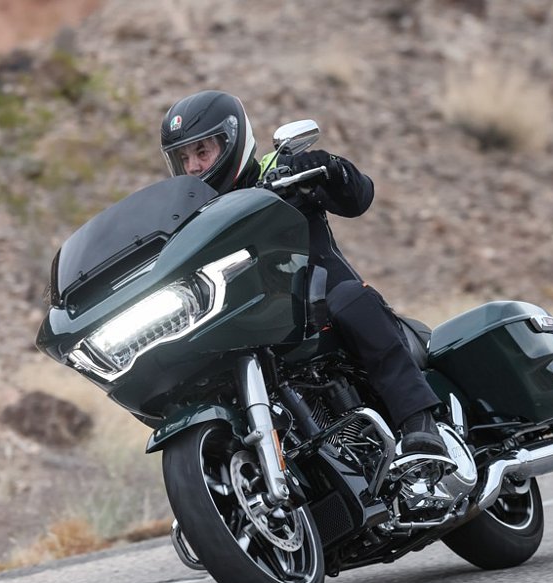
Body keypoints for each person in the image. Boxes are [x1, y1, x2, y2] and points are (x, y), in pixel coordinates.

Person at [159, 90, 449, 461]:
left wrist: (328, 167)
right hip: (256, 325)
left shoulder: (278, 171)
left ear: (232, 142)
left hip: (321, 307)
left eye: (202, 152)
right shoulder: (191, 221)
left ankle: (419, 423)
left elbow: (359, 198)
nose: (194, 166)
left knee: (352, 299)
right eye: (184, 158)